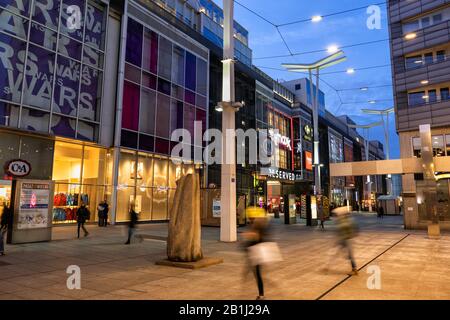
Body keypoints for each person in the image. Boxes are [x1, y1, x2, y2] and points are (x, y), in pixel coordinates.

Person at [243, 207, 270, 300]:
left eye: (250, 216)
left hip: (257, 252)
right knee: (257, 273)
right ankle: (261, 294)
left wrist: (249, 235)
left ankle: (261, 295)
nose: (249, 218)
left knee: (257, 273)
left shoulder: (257, 225)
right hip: (255, 251)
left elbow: (257, 238)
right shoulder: (258, 224)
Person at [324, 208, 358, 275]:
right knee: (341, 254)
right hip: (345, 240)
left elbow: (339, 231)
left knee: (346, 255)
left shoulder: (344, 221)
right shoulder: (344, 221)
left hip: (346, 240)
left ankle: (354, 269)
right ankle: (327, 267)